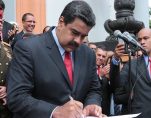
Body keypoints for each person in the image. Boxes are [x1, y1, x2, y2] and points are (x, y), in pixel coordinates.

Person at [7, 1, 104, 118]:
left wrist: (92, 104)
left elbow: (94, 89)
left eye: (83, 36)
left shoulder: (88, 54)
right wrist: (55, 111)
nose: (78, 41)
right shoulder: (28, 48)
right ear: (61, 22)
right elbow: (17, 97)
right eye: (74, 32)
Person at [110, 28, 151, 118]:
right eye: (139, 39)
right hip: (141, 114)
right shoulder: (132, 64)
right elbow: (116, 84)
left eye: (145, 38)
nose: (142, 42)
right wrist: (115, 59)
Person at [0, 18, 12, 118]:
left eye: (1, 23)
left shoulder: (7, 48)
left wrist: (7, 88)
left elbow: (14, 73)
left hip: (5, 107)